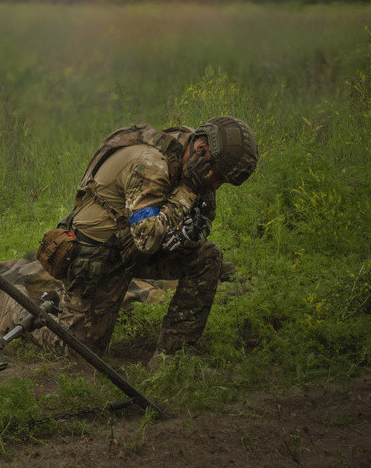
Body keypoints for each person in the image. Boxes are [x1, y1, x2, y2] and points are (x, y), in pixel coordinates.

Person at [49, 116, 257, 363]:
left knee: (208, 257)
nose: (217, 185)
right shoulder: (151, 165)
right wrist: (188, 189)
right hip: (99, 255)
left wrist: (192, 231)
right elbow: (147, 240)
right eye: (218, 177)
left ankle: (170, 360)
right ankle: (17, 312)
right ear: (202, 150)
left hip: (136, 246)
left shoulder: (192, 153)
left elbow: (204, 214)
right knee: (75, 354)